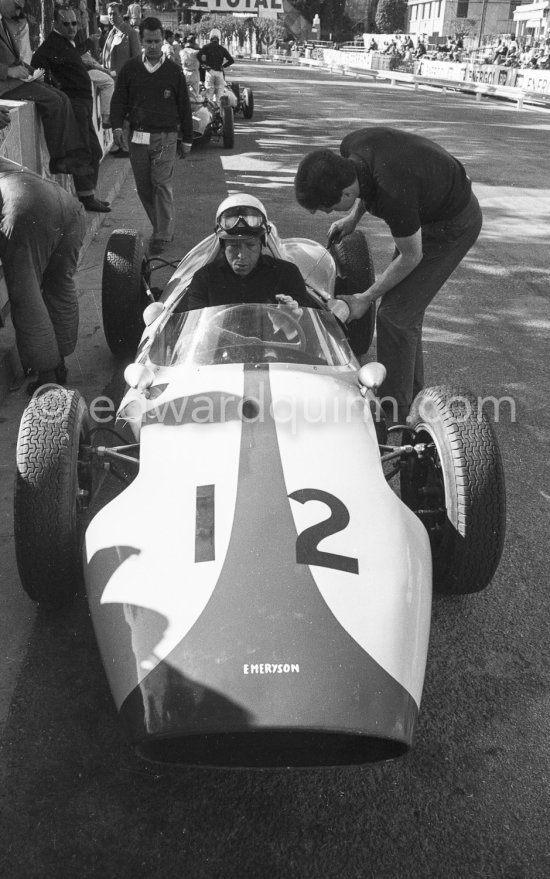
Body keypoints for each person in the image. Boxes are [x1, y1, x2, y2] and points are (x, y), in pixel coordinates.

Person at [294, 127, 482, 424]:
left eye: (329, 208)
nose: (328, 213)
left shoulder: (394, 192)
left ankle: (393, 416)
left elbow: (412, 255)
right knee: (403, 313)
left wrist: (363, 297)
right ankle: (415, 399)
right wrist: (352, 218)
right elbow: (364, 184)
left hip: (452, 224)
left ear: (345, 192)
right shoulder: (351, 148)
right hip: (427, 205)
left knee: (395, 315)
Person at [0, 156, 85, 391]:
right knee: (59, 285)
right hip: (68, 206)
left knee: (26, 296)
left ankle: (48, 377)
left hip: (26, 208)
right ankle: (60, 361)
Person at [110, 16, 193, 255]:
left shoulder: (174, 71)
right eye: (148, 41)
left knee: (161, 184)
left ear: (163, 39)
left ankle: (162, 235)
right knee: (144, 188)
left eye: (157, 41)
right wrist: (117, 128)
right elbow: (118, 101)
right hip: (137, 138)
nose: (153, 46)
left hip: (165, 138)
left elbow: (185, 107)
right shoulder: (131, 68)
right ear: (142, 40)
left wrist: (186, 139)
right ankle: (160, 228)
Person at [31, 6, 110, 212]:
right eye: (66, 24)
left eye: (74, 23)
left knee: (92, 150)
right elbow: (38, 70)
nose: (71, 27)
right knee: (84, 152)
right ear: (56, 24)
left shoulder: (64, 43)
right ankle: (87, 198)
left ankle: (88, 195)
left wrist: (88, 44)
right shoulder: (50, 47)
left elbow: (71, 56)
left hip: (82, 103)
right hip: (74, 104)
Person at [0, 0, 89, 176]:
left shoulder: (4, 20)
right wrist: (9, 71)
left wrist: (30, 70)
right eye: (16, 5)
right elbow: (8, 65)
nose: (18, 10)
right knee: (54, 101)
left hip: (16, 79)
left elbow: (13, 57)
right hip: (5, 85)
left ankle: (67, 155)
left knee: (62, 97)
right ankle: (58, 159)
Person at [185, 194, 310, 311]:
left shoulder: (287, 275)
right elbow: (196, 329)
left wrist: (289, 320)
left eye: (250, 245)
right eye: (233, 246)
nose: (241, 255)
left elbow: (304, 327)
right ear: (222, 245)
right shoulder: (204, 279)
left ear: (262, 243)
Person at [101, 1, 141, 155]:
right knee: (116, 113)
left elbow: (137, 59)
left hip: (125, 81)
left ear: (121, 14)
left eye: (114, 13)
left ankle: (124, 147)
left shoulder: (130, 33)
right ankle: (117, 144)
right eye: (109, 14)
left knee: (124, 114)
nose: (111, 17)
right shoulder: (111, 33)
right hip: (110, 80)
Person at [198, 28, 233, 104]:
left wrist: (203, 64)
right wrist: (223, 66)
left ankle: (210, 112)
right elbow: (231, 60)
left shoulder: (206, 47)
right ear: (219, 39)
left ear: (210, 38)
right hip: (219, 73)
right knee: (220, 94)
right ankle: (219, 112)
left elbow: (198, 55)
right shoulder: (222, 49)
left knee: (209, 93)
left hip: (210, 72)